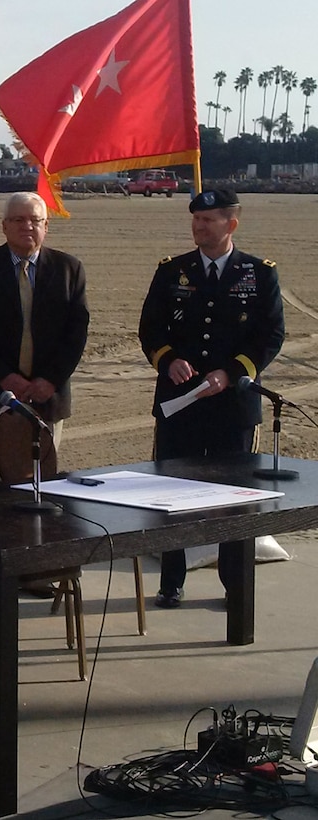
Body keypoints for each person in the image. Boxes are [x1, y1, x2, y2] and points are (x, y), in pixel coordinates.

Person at [139, 188, 285, 609]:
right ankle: (171, 580)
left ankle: (234, 582)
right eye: (196, 220)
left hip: (232, 407)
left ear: (231, 224)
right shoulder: (173, 271)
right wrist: (169, 361)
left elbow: (270, 335)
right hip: (179, 404)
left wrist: (234, 371)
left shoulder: (259, 273)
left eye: (209, 220)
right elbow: (151, 328)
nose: (199, 226)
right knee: (172, 494)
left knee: (232, 498)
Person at [0, 191, 89, 480]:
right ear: (4, 226)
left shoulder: (69, 269)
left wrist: (51, 380)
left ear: (46, 226)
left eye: (34, 220)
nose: (26, 226)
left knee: (42, 478)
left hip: (46, 396)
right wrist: (5, 377)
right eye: (18, 219)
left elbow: (76, 333)